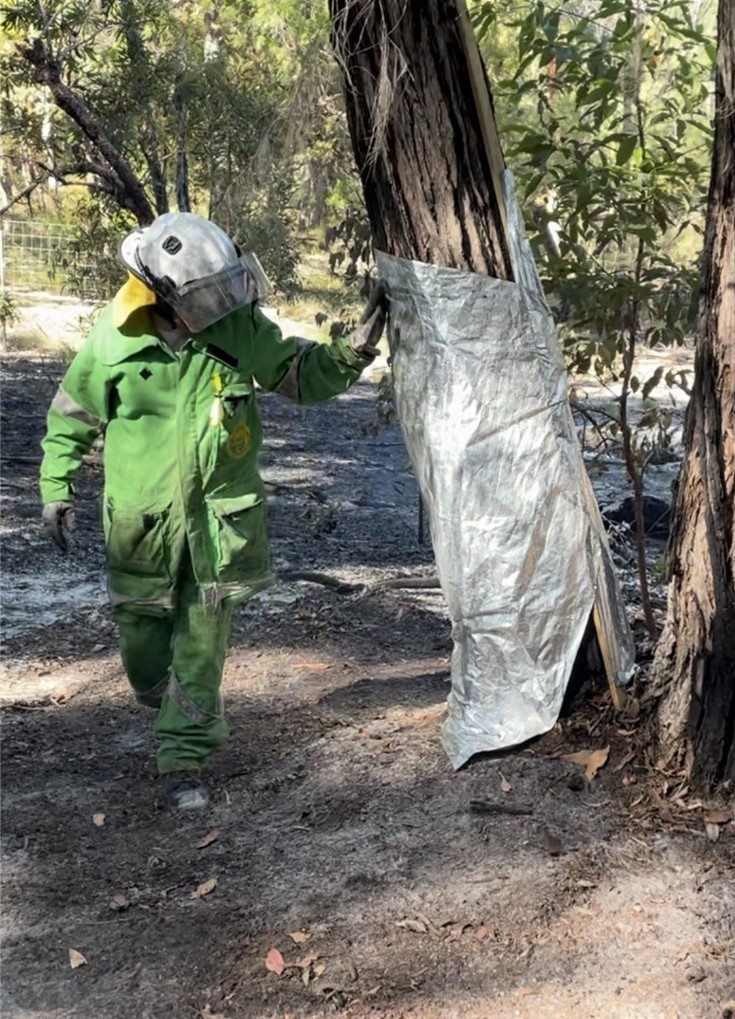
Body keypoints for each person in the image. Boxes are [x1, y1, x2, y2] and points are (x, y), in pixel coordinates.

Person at [39, 211, 387, 810]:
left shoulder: (239, 327)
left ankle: (183, 759)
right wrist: (56, 486)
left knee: (201, 644)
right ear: (162, 293)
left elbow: (299, 374)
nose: (219, 303)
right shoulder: (114, 338)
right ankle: (168, 703)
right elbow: (71, 416)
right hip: (141, 526)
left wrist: (354, 351)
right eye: (205, 295)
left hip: (219, 527)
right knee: (143, 651)